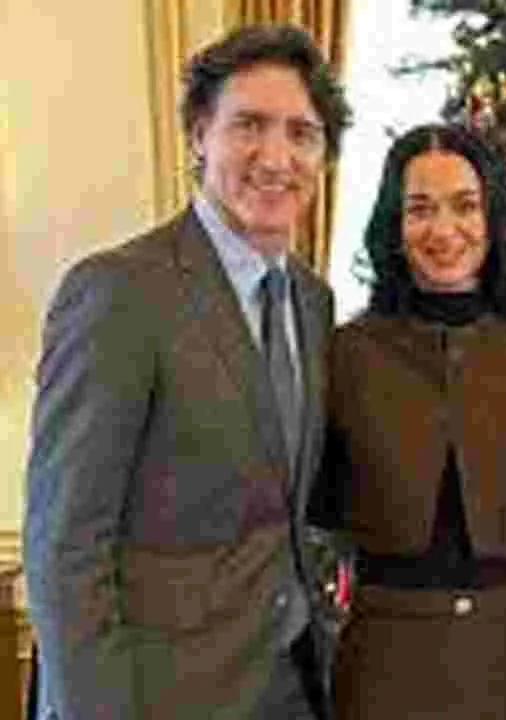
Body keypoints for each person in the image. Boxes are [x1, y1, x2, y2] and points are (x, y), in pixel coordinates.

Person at [22, 24, 350, 719]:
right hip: (161, 697)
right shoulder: (119, 292)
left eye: (302, 133)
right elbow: (65, 547)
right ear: (199, 135)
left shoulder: (313, 302)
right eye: (249, 125)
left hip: (288, 687)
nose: (277, 157)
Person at [307, 123, 506, 719]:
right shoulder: (346, 355)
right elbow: (318, 509)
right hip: (383, 662)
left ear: (492, 218)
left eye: (464, 205)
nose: (444, 229)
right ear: (394, 225)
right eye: (420, 209)